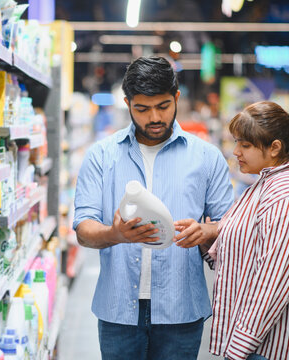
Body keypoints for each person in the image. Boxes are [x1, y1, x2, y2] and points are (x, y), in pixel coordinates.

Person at [73, 56, 234, 359]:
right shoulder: (101, 157)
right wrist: (116, 233)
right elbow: (84, 230)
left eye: (163, 106)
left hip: (181, 311)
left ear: (176, 98)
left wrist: (208, 230)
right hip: (118, 310)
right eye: (142, 109)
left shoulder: (207, 158)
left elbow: (232, 226)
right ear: (127, 103)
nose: (154, 118)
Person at [207, 101, 289, 360]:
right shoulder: (267, 183)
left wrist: (238, 349)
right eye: (236, 143)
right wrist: (207, 235)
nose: (235, 151)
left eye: (245, 145)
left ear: (275, 147)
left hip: (277, 346)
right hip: (262, 342)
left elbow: (272, 285)